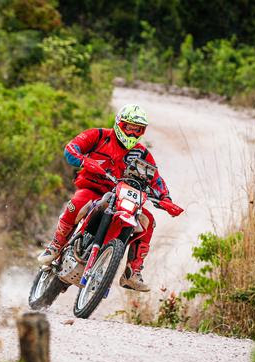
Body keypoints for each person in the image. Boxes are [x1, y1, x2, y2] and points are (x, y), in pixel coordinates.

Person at [37, 104, 177, 292]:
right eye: (129, 127)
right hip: (94, 189)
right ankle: (56, 245)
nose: (133, 133)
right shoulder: (99, 136)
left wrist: (167, 199)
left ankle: (132, 272)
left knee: (148, 221)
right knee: (76, 204)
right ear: (120, 124)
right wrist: (84, 160)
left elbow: (155, 179)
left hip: (124, 197)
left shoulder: (142, 154)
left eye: (138, 129)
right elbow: (70, 149)